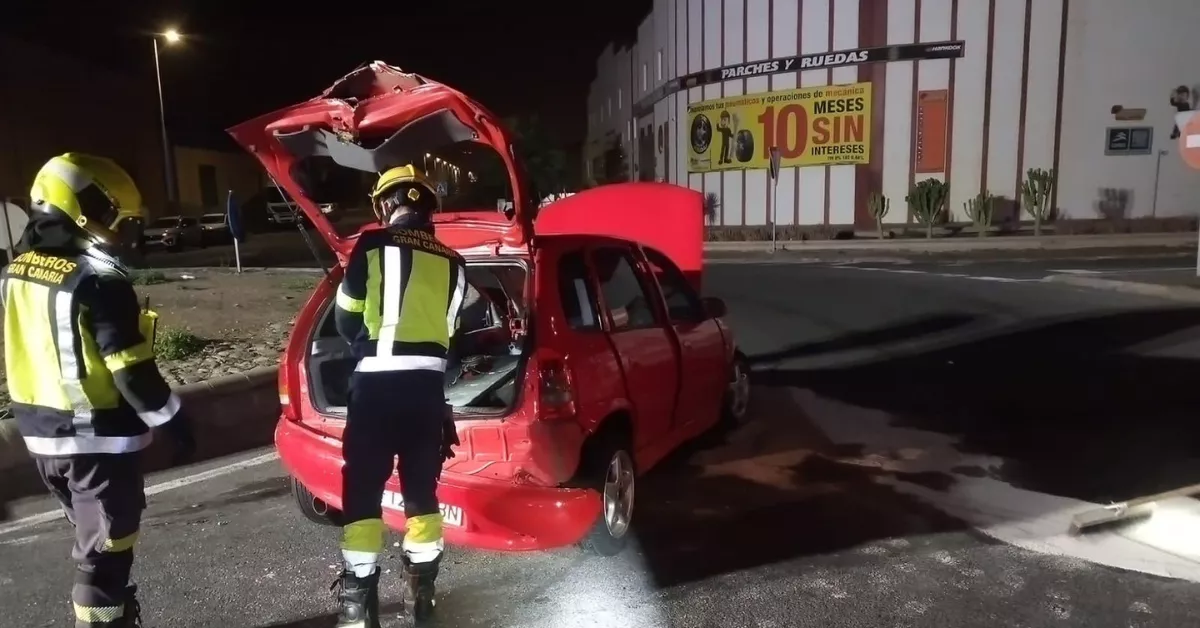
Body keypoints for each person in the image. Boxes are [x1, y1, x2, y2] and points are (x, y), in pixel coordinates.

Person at [2, 153, 196, 628]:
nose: (122, 234)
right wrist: (176, 422)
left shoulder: (16, 271)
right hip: (97, 444)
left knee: (96, 541)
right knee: (105, 557)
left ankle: (115, 609)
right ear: (81, 212)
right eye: (116, 220)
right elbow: (131, 373)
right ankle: (106, 619)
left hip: (42, 437)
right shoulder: (99, 281)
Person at [331, 164, 466, 626]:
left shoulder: (371, 245)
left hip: (375, 389)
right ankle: (421, 596)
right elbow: (452, 335)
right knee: (421, 491)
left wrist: (367, 347)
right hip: (426, 393)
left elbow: (346, 320)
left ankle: (358, 604)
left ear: (386, 205)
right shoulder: (455, 263)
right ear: (429, 208)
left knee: (364, 489)